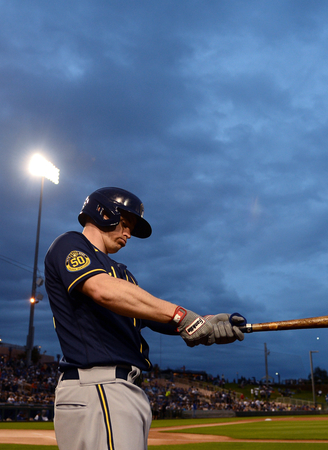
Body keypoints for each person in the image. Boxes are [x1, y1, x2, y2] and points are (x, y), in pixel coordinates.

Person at [44, 187, 245, 450]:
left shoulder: (122, 275)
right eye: (125, 224)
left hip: (118, 388)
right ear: (103, 213)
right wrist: (181, 315)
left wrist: (208, 325)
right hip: (99, 385)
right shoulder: (70, 244)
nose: (128, 234)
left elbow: (154, 318)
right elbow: (102, 290)